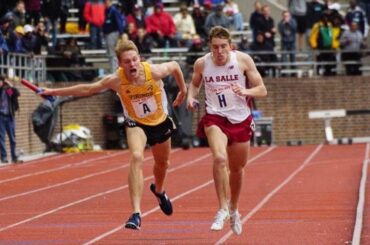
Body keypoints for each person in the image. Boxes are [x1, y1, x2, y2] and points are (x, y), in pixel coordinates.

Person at [40, 38, 187, 230]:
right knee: (136, 156)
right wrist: (53, 91)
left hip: (160, 122)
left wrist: (182, 90)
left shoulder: (154, 71)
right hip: (137, 124)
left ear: (139, 58)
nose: (132, 64)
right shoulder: (116, 80)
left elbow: (175, 66)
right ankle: (136, 213)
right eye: (127, 61)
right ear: (120, 63)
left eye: (134, 59)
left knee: (163, 163)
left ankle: (159, 191)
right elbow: (88, 89)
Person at [186, 26, 267, 235]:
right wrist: (190, 97)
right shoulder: (202, 63)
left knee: (237, 169)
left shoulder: (242, 60)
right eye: (215, 47)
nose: (219, 51)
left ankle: (234, 208)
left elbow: (262, 89)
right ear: (209, 47)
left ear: (230, 47)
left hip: (240, 118)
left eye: (223, 47)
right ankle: (221, 208)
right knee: (220, 159)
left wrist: (245, 90)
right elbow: (194, 84)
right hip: (215, 117)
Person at [0, 75, 21, 164]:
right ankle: (4, 157)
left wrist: (11, 85)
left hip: (9, 116)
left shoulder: (7, 89)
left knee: (12, 138)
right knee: (1, 138)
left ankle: (14, 157)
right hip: (1, 116)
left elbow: (16, 94)